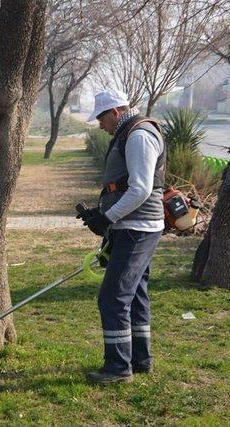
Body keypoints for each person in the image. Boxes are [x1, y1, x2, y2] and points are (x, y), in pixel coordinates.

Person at [78, 89, 166, 385]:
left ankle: (118, 368)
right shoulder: (130, 131)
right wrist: (101, 212)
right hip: (133, 226)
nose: (100, 125)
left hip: (138, 228)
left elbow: (141, 189)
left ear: (115, 112)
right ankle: (141, 359)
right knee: (136, 293)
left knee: (113, 297)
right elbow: (125, 183)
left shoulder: (139, 135)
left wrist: (108, 218)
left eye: (102, 118)